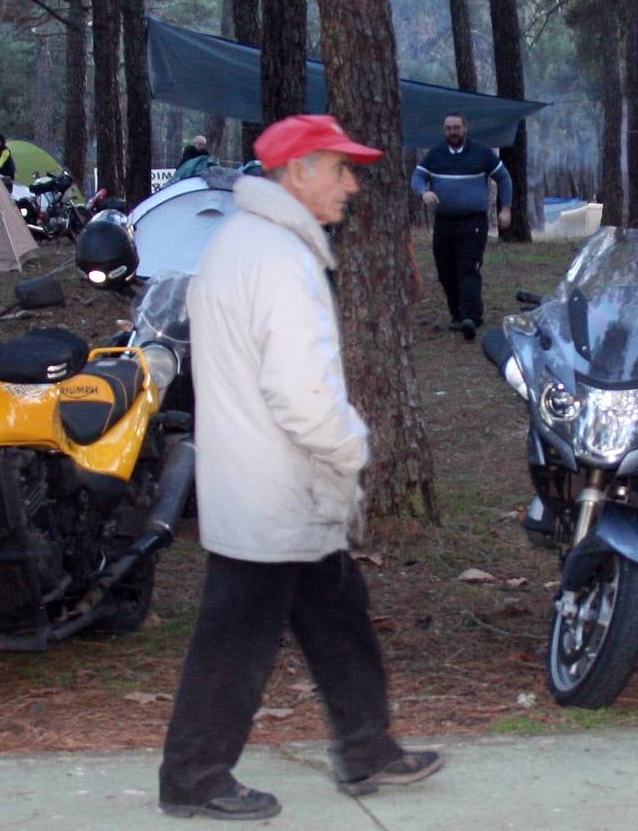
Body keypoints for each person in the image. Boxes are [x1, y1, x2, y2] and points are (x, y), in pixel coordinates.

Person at [158, 114, 445, 822]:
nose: (352, 183)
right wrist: (354, 449)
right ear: (298, 173)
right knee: (235, 642)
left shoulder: (239, 243)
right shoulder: (280, 260)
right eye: (340, 168)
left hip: (266, 479)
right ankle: (192, 778)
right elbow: (304, 393)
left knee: (336, 614)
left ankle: (367, 747)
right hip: (277, 486)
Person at [409, 112, 513, 342]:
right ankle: (457, 315)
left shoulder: (481, 152)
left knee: (468, 268)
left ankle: (471, 317)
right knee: (445, 270)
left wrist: (505, 208)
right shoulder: (435, 154)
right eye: (448, 128)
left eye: (456, 127)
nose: (452, 132)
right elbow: (417, 177)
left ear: (465, 128)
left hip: (473, 221)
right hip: (444, 221)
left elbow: (504, 178)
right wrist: (423, 192)